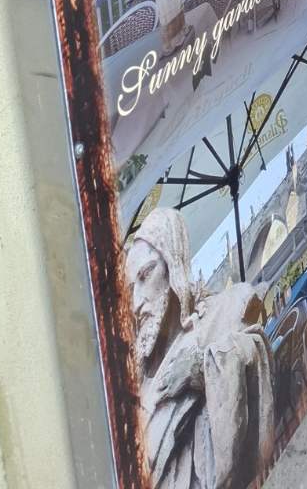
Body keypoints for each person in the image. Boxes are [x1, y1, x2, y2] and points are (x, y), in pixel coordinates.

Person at [125, 208, 274, 489]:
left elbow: (255, 353)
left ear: (172, 263)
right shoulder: (141, 383)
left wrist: (202, 367)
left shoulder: (227, 309)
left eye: (145, 275)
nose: (136, 303)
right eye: (131, 289)